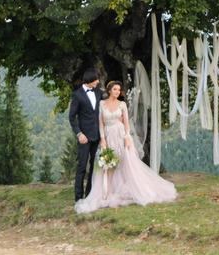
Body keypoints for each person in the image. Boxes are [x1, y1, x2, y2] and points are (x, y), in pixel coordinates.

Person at [74, 81, 177, 214]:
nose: (117, 92)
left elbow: (127, 123)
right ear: (109, 90)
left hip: (120, 134)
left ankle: (131, 189)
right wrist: (103, 140)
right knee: (109, 164)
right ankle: (108, 192)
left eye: (119, 90)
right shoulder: (102, 104)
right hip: (108, 135)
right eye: (115, 89)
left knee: (124, 163)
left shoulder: (122, 104)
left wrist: (127, 138)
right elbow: (100, 123)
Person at [68, 68, 102, 202]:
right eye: (96, 79)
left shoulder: (99, 92)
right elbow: (72, 117)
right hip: (84, 137)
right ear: (89, 80)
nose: (98, 81)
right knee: (82, 166)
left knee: (95, 167)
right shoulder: (77, 95)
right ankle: (78, 198)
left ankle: (90, 195)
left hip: (97, 135)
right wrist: (79, 134)